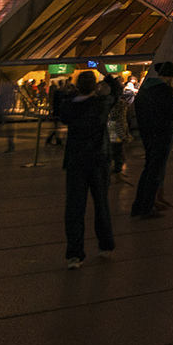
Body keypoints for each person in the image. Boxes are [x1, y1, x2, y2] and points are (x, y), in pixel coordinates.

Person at [54, 71, 114, 267]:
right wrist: (107, 74)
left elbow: (61, 115)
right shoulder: (100, 104)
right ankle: (105, 244)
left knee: (74, 207)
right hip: (98, 160)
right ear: (94, 86)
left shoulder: (69, 105)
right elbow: (117, 94)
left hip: (75, 160)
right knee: (101, 203)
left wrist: (70, 94)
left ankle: (74, 253)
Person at [130, 62, 173, 219]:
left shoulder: (144, 89)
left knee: (147, 169)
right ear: (170, 77)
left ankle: (138, 205)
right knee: (155, 171)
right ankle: (147, 207)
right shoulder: (164, 90)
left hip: (147, 134)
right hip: (162, 134)